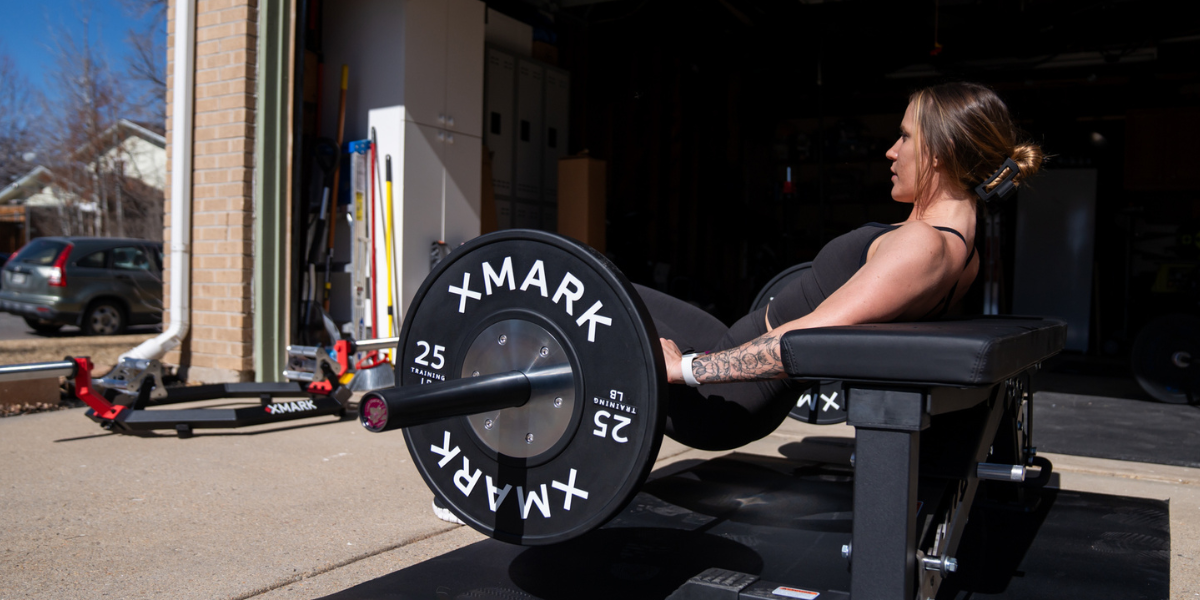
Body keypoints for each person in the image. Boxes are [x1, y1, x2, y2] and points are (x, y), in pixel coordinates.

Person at [641, 81, 1044, 451]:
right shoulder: (961, 252)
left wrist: (686, 369)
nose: (891, 150)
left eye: (905, 136)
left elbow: (805, 341)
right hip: (733, 350)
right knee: (607, 285)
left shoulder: (924, 244)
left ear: (941, 151)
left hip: (725, 398)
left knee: (598, 294)